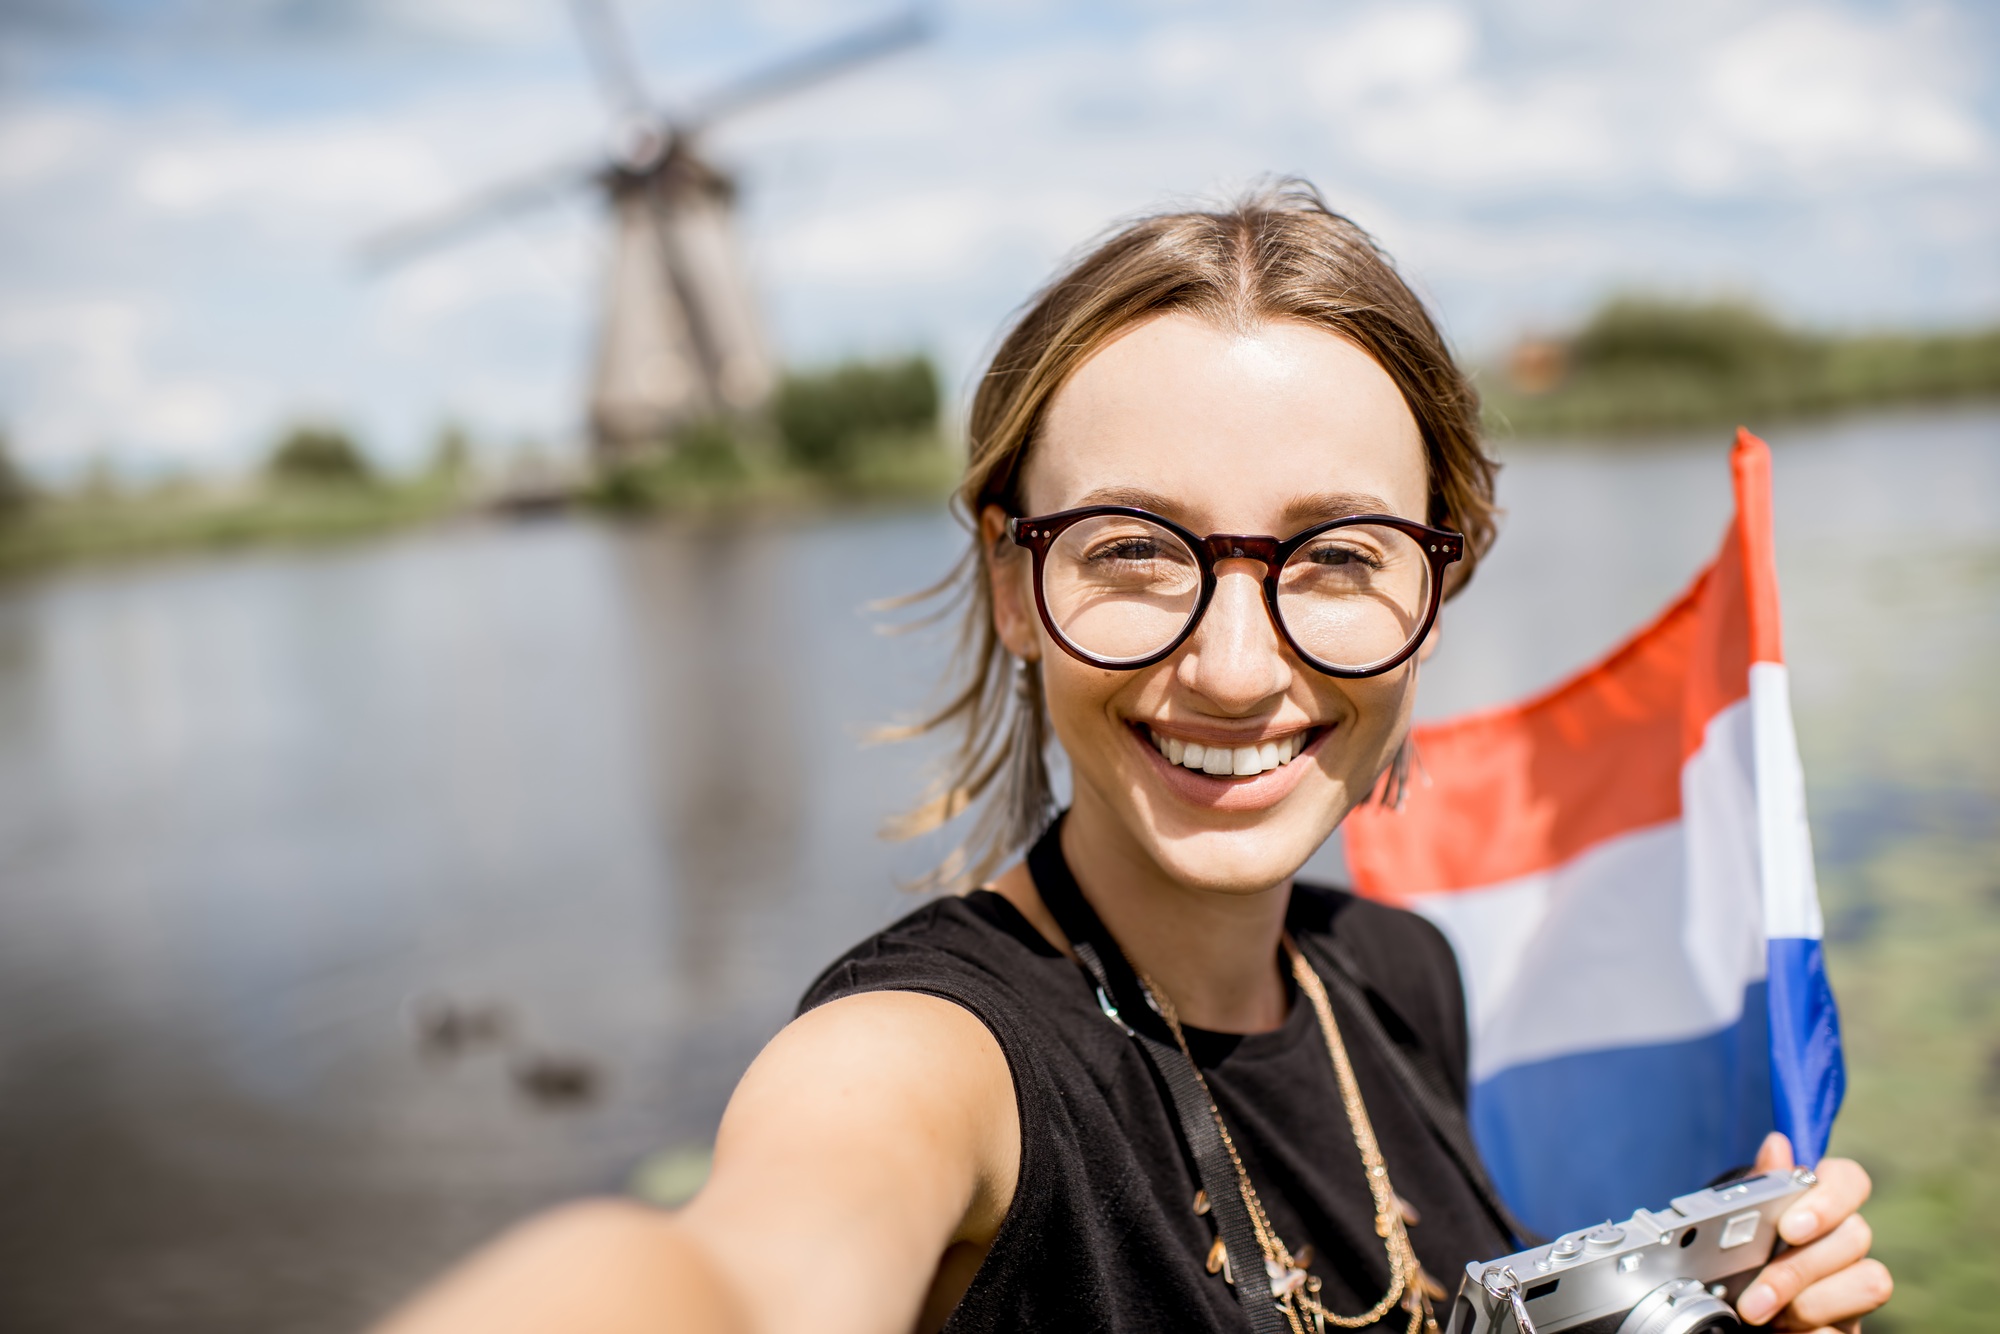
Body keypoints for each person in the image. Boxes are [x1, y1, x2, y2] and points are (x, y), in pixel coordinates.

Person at [376, 186, 1892, 1334]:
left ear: (1434, 596)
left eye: (1340, 555)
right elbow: (727, 1273)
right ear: (1010, 583)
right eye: (1130, 549)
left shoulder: (1402, 976)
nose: (1235, 664)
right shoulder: (934, 1061)